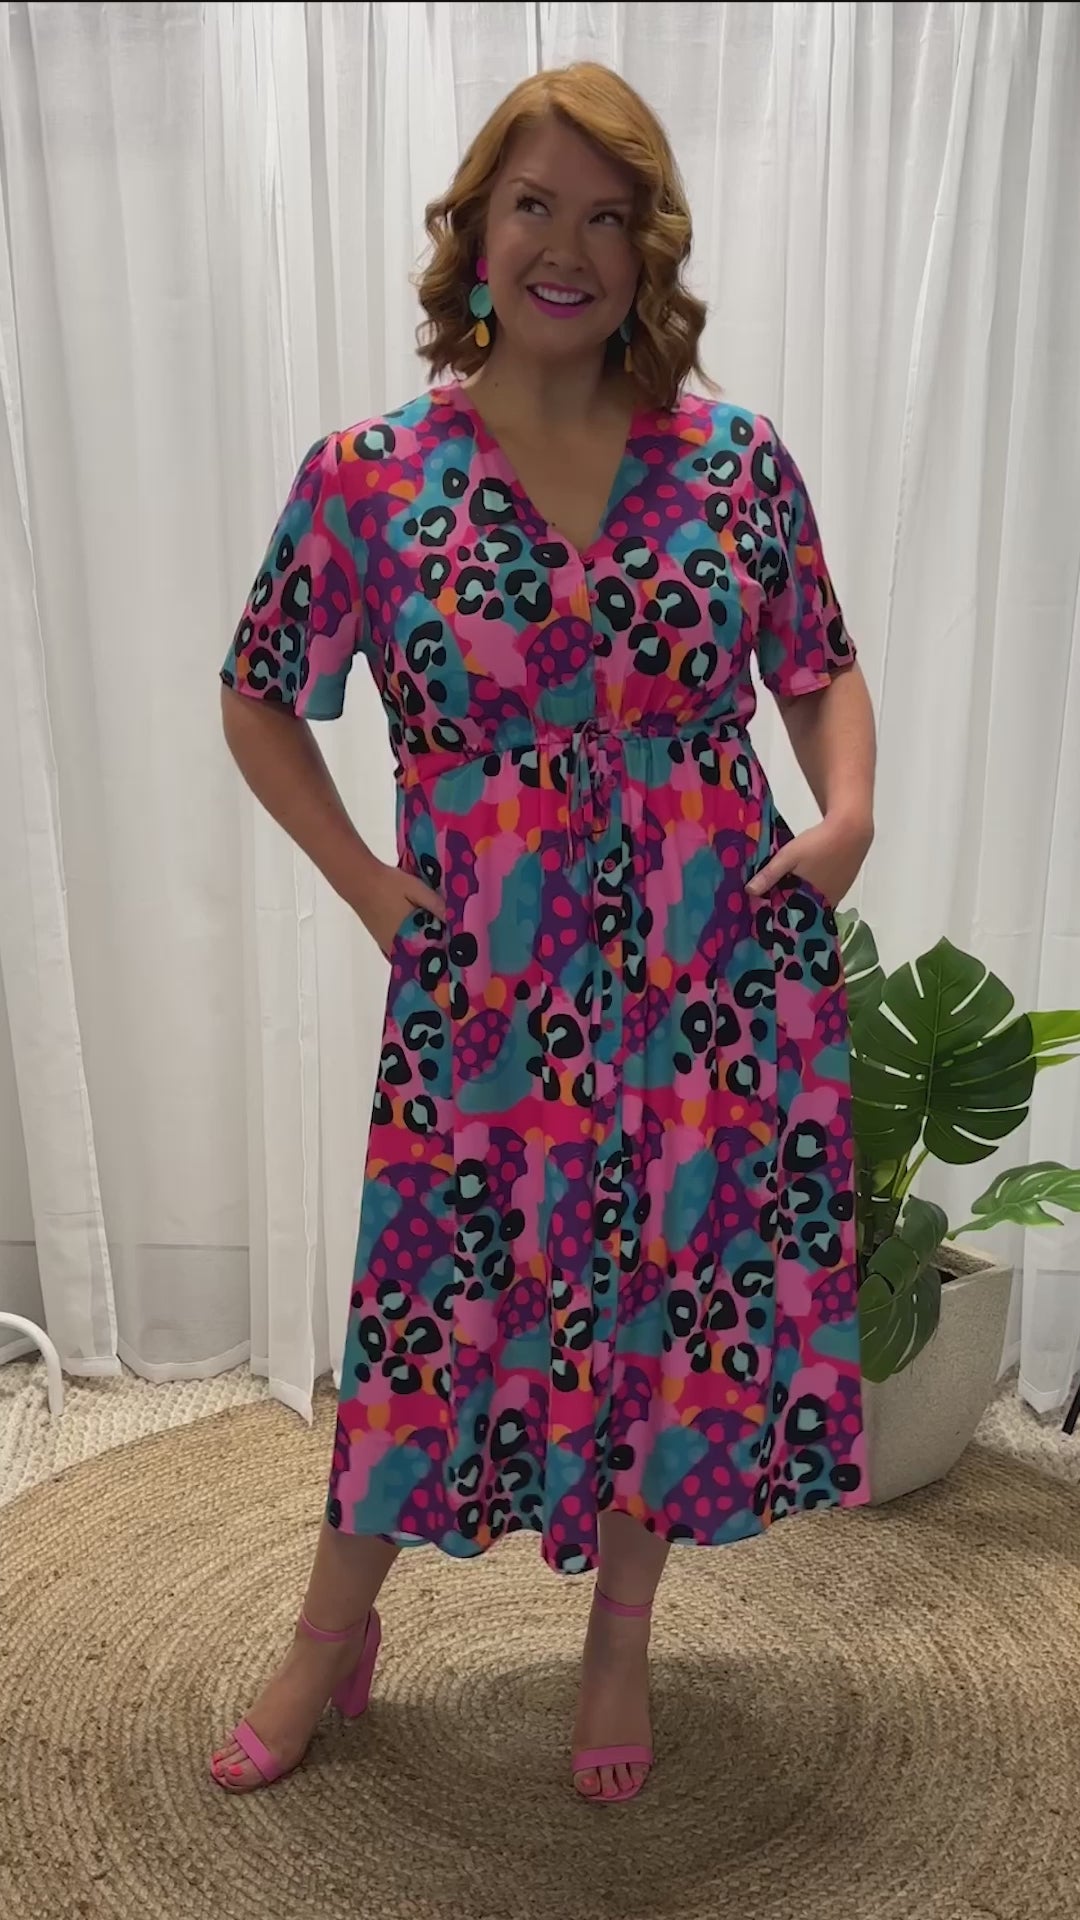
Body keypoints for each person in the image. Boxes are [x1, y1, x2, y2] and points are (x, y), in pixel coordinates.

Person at [211, 60, 876, 1806]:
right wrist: (370, 882)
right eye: (534, 206)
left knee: (667, 1306)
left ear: (649, 247)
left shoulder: (734, 460)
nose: (567, 247)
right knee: (430, 1316)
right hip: (491, 989)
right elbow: (259, 694)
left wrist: (847, 814)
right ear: (477, 229)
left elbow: (816, 664)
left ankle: (619, 1637)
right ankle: (329, 1631)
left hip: (711, 972)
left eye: (607, 214)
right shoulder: (368, 478)